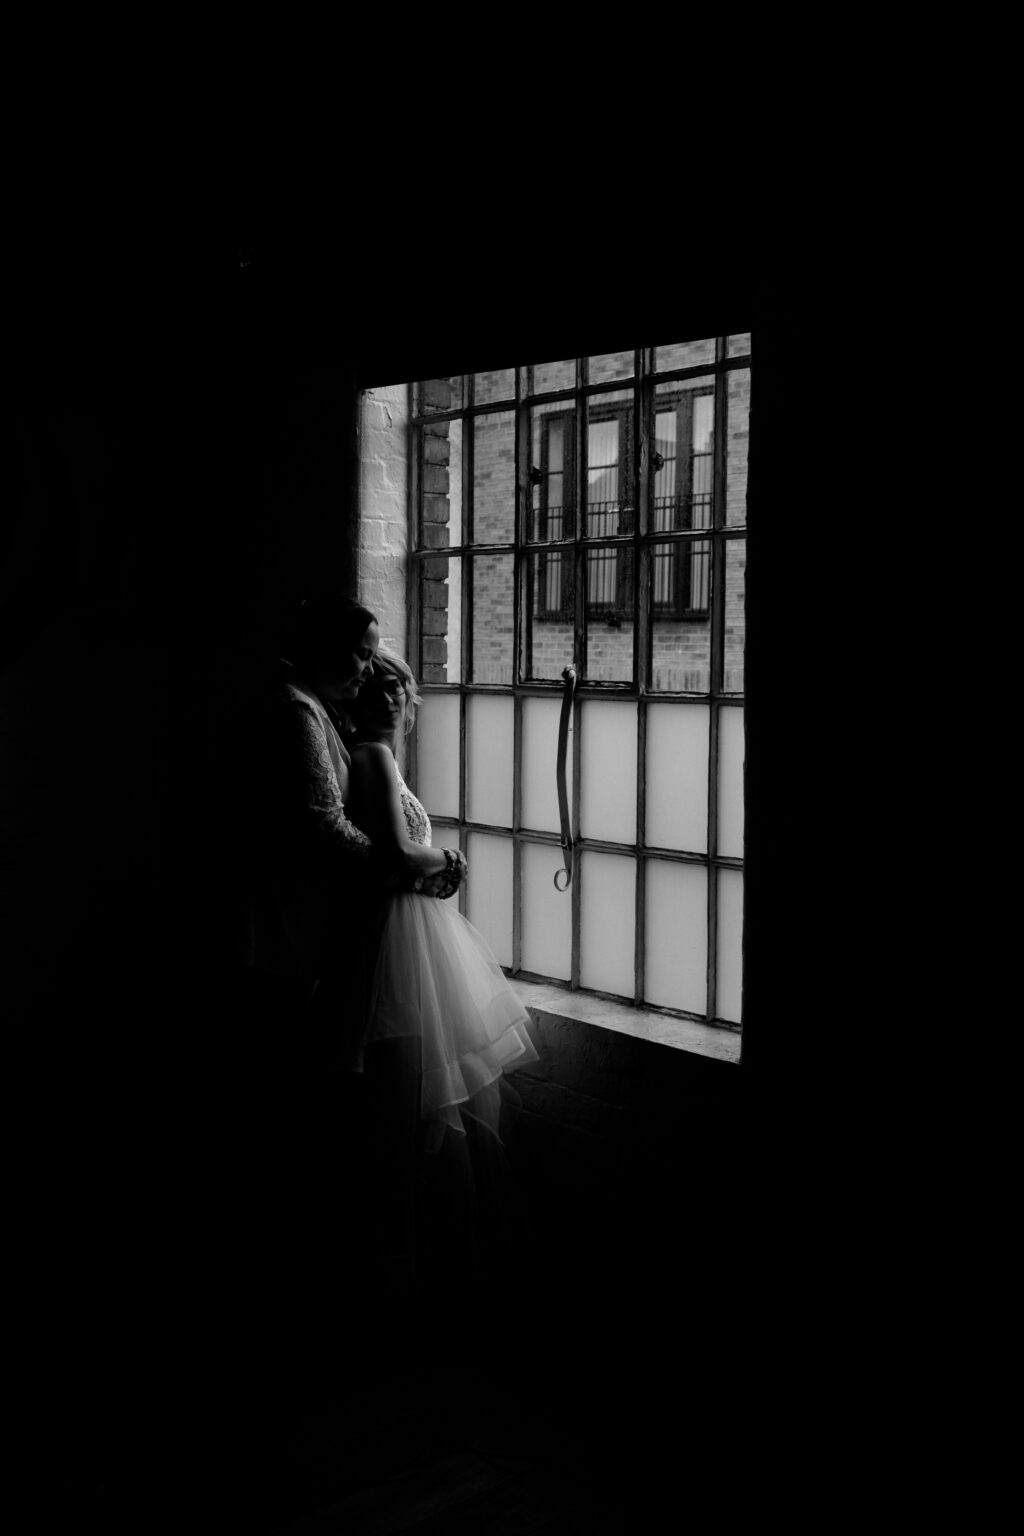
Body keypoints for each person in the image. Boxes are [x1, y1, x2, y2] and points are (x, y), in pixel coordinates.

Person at [345, 647, 538, 1296]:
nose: (392, 697)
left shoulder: (378, 758)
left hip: (415, 932)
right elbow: (394, 856)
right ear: (355, 696)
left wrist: (431, 870)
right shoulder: (370, 757)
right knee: (407, 1113)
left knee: (421, 1108)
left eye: (399, 685)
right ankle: (410, 1275)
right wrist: (444, 859)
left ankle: (420, 1267)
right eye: (376, 686)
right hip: (401, 944)